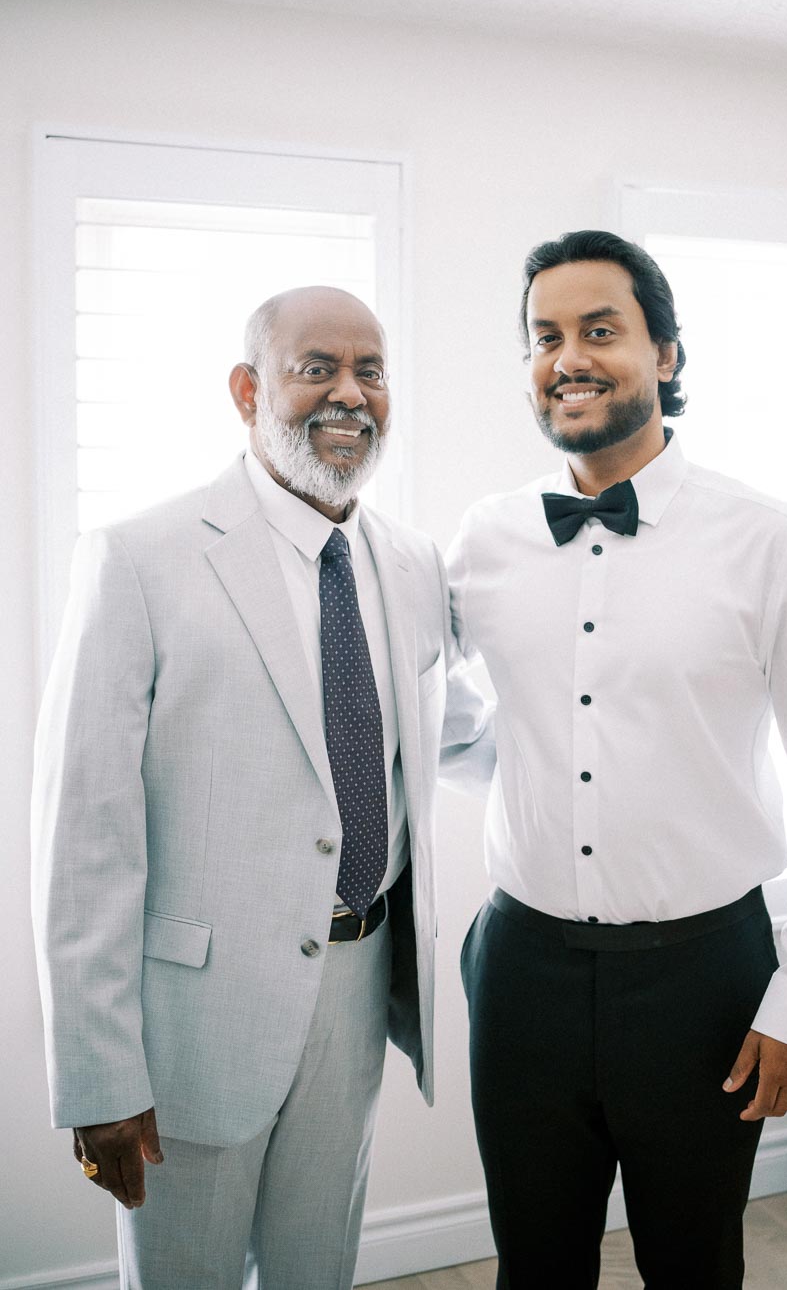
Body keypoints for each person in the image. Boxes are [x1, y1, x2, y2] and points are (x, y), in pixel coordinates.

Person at [447, 231, 787, 1289]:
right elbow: (446, 722)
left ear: (669, 355)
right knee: (533, 1267)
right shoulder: (484, 539)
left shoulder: (777, 544)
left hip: (706, 980)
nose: (571, 357)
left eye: (602, 330)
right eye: (545, 337)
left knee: (695, 1266)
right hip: (520, 971)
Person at [31, 286, 494, 1290]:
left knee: (315, 1267)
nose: (349, 394)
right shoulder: (140, 559)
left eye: (370, 371)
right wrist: (100, 1077)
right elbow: (85, 836)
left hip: (362, 984)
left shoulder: (412, 564)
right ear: (249, 390)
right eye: (314, 367)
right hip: (195, 1016)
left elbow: (450, 736)